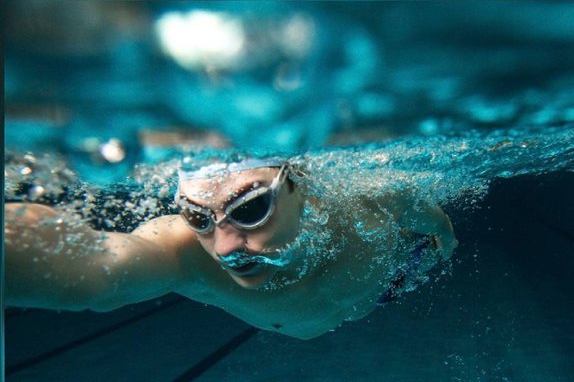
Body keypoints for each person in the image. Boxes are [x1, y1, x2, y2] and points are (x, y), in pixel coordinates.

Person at [4, 157, 457, 340]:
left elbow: (434, 222)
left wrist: (447, 243)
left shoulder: (377, 198)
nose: (222, 247)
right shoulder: (184, 253)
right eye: (198, 217)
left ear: (302, 182)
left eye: (251, 207)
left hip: (394, 278)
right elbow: (97, 272)